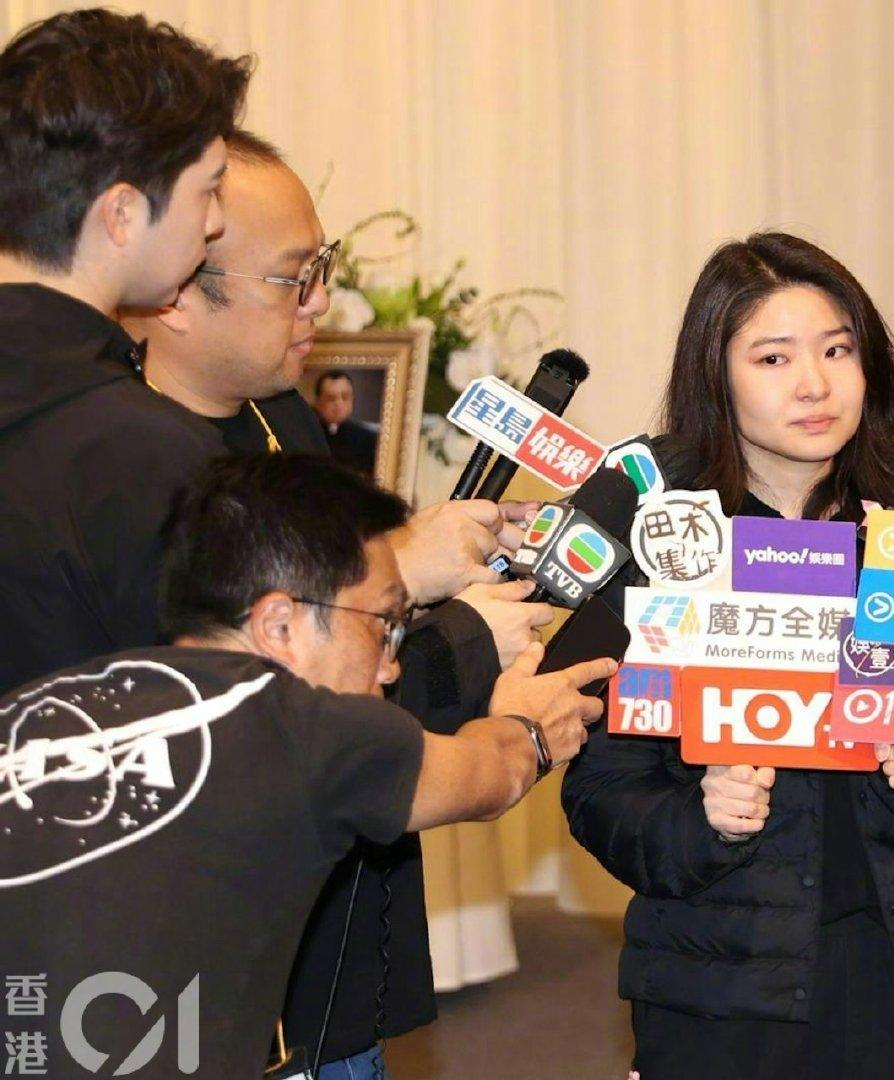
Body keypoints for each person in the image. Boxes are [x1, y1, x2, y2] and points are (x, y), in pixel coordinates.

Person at [123, 130, 553, 1077]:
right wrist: (471, 646)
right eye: (295, 277)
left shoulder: (281, 416)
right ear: (177, 288)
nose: (323, 301)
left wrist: (415, 565)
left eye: (326, 266)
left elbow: (342, 619)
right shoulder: (130, 472)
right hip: (223, 983)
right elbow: (274, 723)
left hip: (336, 934)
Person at [562, 233, 894, 1079]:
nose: (814, 384)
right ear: (715, 377)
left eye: (836, 351)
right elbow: (600, 793)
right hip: (724, 989)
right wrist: (702, 816)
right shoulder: (668, 548)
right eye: (773, 358)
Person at [0, 453, 615, 1079]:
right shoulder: (305, 730)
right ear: (279, 624)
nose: (391, 665)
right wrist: (533, 727)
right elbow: (492, 772)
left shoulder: (40, 707)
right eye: (384, 624)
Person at [0, 8, 250, 694]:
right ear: (122, 213)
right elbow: (228, 719)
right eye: (209, 189)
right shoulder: (147, 452)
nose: (215, 222)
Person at [311, 370, 379, 475]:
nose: (339, 404)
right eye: (331, 398)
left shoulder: (367, 438)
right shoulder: (306, 435)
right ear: (318, 402)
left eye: (345, 397)